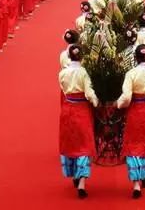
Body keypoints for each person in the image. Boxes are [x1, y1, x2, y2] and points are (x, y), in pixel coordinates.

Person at [117, 44, 145, 199]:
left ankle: (136, 183)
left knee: (134, 145)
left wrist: (118, 105)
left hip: (136, 110)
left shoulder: (131, 74)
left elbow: (127, 97)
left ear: (135, 57)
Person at [58, 45, 98, 199]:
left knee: (71, 142)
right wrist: (96, 103)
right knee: (84, 143)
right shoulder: (84, 73)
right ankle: (81, 181)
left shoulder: (62, 73)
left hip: (68, 108)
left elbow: (63, 89)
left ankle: (74, 173)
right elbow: (89, 94)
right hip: (82, 109)